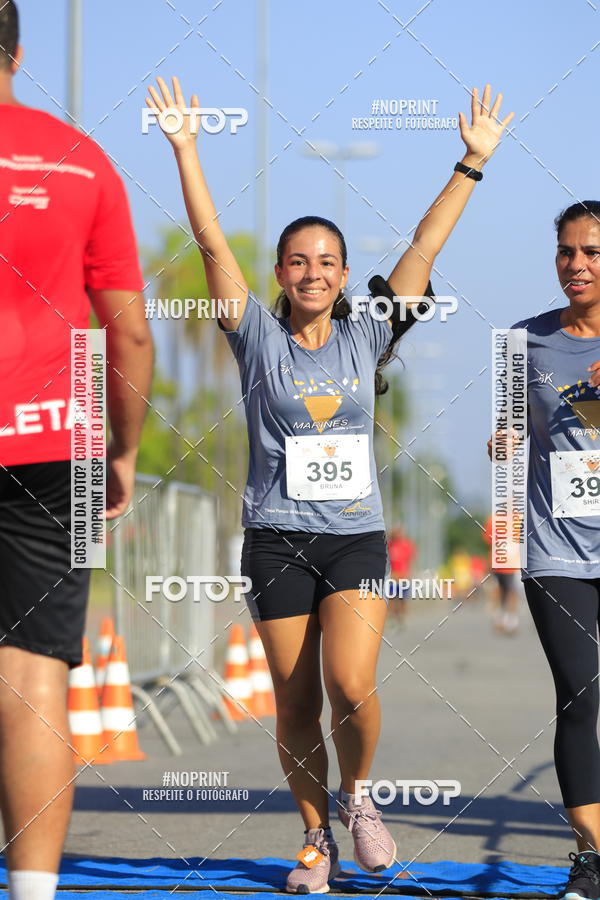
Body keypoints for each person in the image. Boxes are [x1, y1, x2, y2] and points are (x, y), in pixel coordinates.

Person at [147, 75, 512, 893]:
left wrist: (471, 163)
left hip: (354, 537)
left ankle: (359, 796)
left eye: (328, 262)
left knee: (351, 684)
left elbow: (421, 250)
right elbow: (210, 243)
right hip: (275, 537)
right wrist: (186, 149)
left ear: (346, 276)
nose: (313, 273)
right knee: (295, 702)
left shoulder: (366, 334)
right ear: (279, 271)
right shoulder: (255, 337)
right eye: (298, 261)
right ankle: (317, 840)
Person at [0, 4, 153, 898]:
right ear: (19, 50)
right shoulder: (78, 159)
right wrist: (122, 451)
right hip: (57, 446)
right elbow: (128, 336)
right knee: (31, 680)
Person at [488, 201, 600, 899]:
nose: (577, 265)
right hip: (557, 551)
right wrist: (500, 444)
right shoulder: (520, 342)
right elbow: (504, 439)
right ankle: (591, 857)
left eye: (591, 252)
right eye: (567, 251)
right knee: (581, 697)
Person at [483, 515, 520, 635]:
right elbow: (488, 539)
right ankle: (501, 619)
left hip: (511, 563)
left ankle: (510, 621)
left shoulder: (518, 519)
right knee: (499, 591)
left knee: (510, 591)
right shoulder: (492, 520)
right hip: (498, 562)